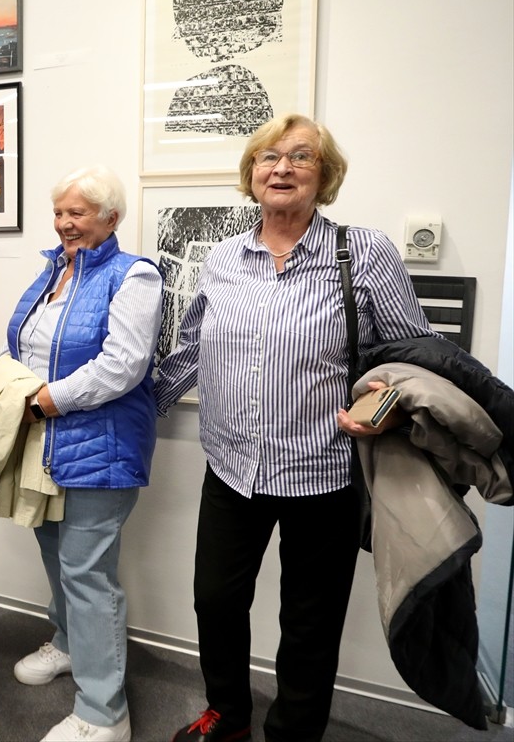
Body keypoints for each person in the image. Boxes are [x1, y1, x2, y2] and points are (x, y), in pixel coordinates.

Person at [155, 114, 436, 742]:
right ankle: (226, 716)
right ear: (251, 175)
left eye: (300, 157)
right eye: (268, 157)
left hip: (325, 474)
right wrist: (132, 411)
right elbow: (190, 350)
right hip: (232, 470)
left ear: (324, 175)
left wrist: (380, 413)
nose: (281, 168)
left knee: (309, 622)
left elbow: (413, 356)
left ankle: (294, 732)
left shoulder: (362, 252)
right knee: (216, 603)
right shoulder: (224, 258)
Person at [5, 166, 163, 742]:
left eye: (78, 213)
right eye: (60, 212)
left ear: (111, 218)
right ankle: (71, 645)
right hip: (46, 440)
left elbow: (123, 365)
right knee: (56, 554)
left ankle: (104, 713)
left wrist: (49, 400)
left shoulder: (134, 275)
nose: (65, 223)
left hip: (103, 444)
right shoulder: (53, 270)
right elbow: (27, 343)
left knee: (88, 572)